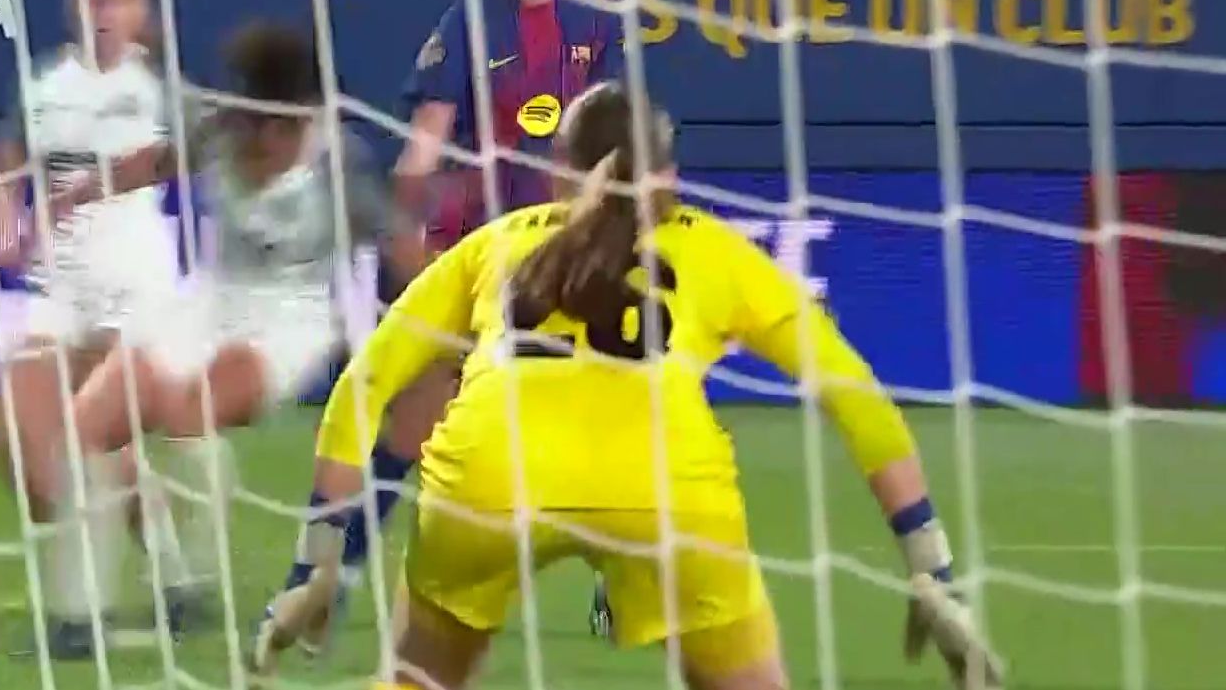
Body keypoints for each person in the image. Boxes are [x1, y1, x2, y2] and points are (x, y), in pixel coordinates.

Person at [290, 82, 1004, 689]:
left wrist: (317, 561)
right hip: (663, 489)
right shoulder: (716, 250)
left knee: (416, 679)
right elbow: (854, 394)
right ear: (669, 175)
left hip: (488, 480)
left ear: (556, 169)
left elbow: (363, 383)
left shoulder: (495, 244)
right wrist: (930, 565)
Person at [261, 0, 626, 657]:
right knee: (407, 422)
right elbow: (422, 149)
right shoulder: (469, 22)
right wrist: (410, 244)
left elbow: (611, 149)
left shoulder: (599, 28)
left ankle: (623, 579)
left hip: (562, 259)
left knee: (604, 420)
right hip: (472, 257)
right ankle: (318, 581)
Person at [39, 21, 426, 659]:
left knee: (185, 414)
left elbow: (404, 250)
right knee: (88, 424)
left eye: (276, 128)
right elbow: (157, 161)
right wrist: (79, 194)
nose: (260, 141)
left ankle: (192, 579)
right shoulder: (221, 128)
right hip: (212, 298)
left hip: (290, 320)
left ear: (301, 118)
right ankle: (79, 617)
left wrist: (445, 324)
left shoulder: (341, 164)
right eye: (251, 124)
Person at [0, 0, 209, 653]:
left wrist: (90, 188)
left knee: (94, 436)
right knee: (21, 440)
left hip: (134, 279)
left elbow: (190, 152)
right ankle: (173, 573)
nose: (105, 8)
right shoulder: (45, 83)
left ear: (142, 10)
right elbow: (8, 158)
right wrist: (4, 218)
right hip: (58, 283)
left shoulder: (159, 86)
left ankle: (78, 619)